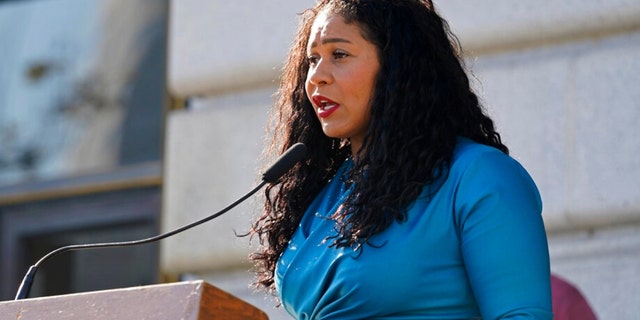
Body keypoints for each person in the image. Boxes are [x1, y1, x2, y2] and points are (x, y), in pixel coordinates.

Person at [249, 0, 552, 318]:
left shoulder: (478, 176)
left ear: (398, 65)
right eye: (312, 59)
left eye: (339, 55)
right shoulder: (328, 193)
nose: (316, 77)